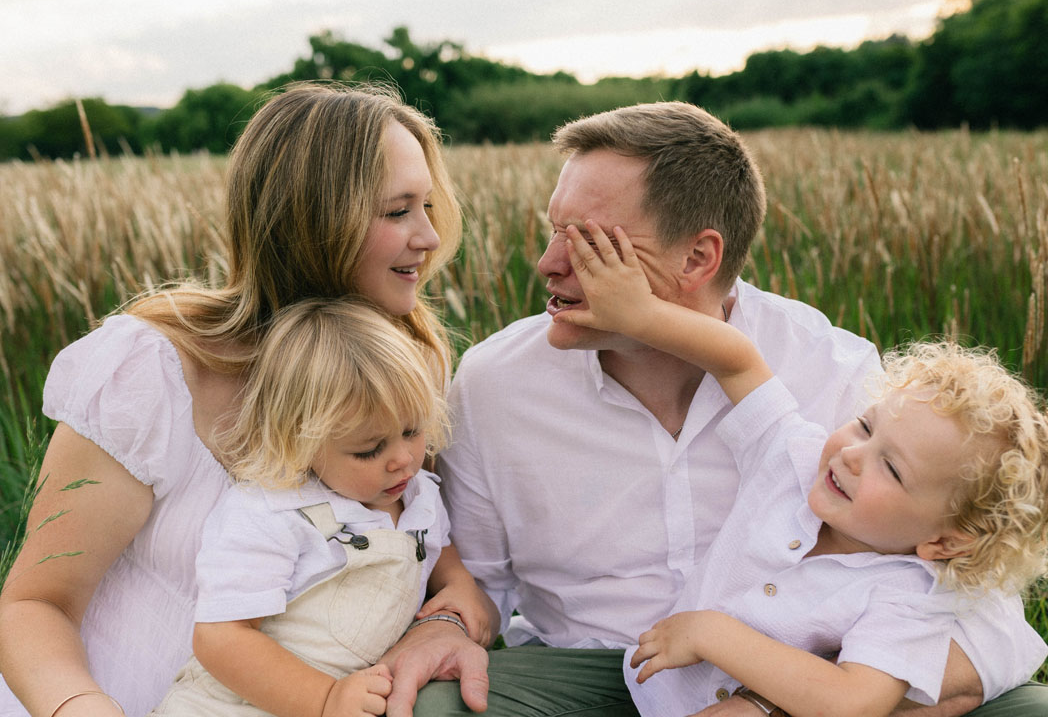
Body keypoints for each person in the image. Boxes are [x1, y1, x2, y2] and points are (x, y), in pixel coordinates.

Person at [402, 102, 1048, 717]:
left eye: (592, 244)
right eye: (553, 232)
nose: (547, 264)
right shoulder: (496, 381)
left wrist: (778, 702)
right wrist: (444, 623)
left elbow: (977, 608)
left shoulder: (833, 369)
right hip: (595, 674)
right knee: (434, 706)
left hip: (804, 676)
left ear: (698, 258)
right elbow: (477, 582)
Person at [0, 83, 491, 717]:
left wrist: (442, 618)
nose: (429, 236)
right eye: (397, 212)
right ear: (312, 221)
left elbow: (411, 537)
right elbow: (37, 603)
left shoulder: (407, 361)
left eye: (427, 205)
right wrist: (82, 707)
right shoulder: (152, 370)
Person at [555, 221, 1048, 717]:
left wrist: (712, 634)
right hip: (654, 696)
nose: (854, 454)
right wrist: (642, 316)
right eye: (864, 425)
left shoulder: (908, 596)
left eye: (893, 470)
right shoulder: (792, 460)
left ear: (945, 542)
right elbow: (738, 363)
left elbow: (850, 700)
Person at [146, 298, 490, 717]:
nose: (402, 459)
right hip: (231, 705)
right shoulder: (274, 511)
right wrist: (324, 700)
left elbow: (433, 541)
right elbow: (221, 637)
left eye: (412, 430)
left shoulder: (416, 493)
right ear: (299, 443)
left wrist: (457, 583)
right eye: (369, 450)